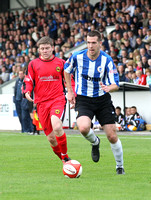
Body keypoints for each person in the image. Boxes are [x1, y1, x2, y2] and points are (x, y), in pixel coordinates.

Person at [64, 30, 125, 175]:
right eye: (88, 42)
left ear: (100, 43)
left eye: (94, 42)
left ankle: (119, 167)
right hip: (84, 99)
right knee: (84, 128)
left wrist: (108, 87)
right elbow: (67, 71)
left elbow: (115, 85)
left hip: (102, 100)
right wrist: (70, 91)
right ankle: (95, 142)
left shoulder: (107, 60)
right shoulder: (77, 57)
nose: (90, 46)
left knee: (112, 135)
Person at [23, 36, 70, 163]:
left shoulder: (61, 63)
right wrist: (26, 91)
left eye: (47, 48)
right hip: (41, 104)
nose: (45, 51)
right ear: (39, 50)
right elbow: (29, 80)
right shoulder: (33, 64)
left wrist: (72, 94)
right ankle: (64, 161)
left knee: (56, 126)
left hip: (57, 100)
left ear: (53, 48)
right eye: (42, 48)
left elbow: (69, 81)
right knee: (51, 139)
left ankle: (65, 156)